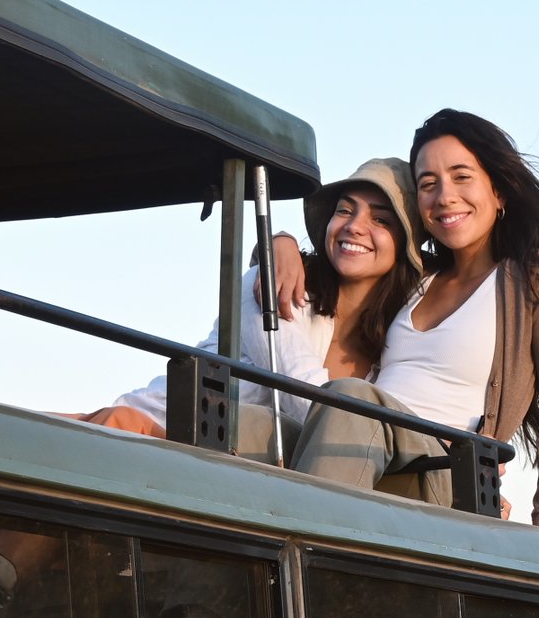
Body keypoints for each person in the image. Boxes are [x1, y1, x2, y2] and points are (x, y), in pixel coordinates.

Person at [288, 111, 539, 530]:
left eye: (461, 177)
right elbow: (341, 269)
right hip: (363, 444)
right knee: (249, 425)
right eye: (428, 184)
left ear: (499, 190)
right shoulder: (417, 277)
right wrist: (278, 243)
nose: (444, 196)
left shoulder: (538, 275)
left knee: (350, 401)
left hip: (440, 470)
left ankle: (301, 563)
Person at [85, 157, 421, 439]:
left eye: (380, 219)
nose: (354, 226)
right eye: (345, 211)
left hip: (230, 472)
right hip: (148, 432)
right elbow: (306, 400)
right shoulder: (271, 282)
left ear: (405, 243)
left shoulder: (396, 342)